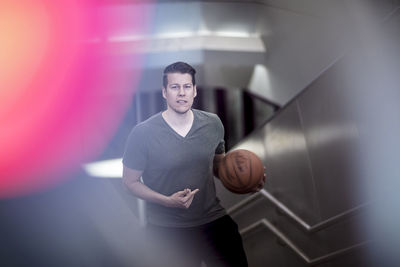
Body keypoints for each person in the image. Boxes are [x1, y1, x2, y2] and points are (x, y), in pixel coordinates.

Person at [122, 61, 265, 267]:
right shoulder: (143, 133)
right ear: (164, 92)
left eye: (187, 86)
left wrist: (247, 183)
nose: (181, 93)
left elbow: (218, 166)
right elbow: (130, 182)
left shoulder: (213, 123)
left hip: (212, 219)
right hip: (167, 230)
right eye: (174, 87)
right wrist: (166, 201)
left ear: (195, 91)